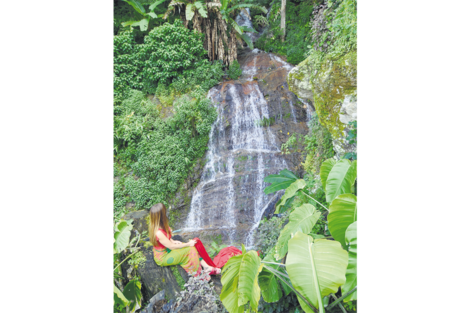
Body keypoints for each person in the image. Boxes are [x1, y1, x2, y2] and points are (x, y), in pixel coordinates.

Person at [148, 203, 221, 280]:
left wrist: (172, 240)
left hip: (168, 249)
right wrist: (188, 244)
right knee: (190, 249)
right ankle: (199, 275)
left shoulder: (161, 225)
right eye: (164, 211)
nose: (166, 213)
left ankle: (206, 267)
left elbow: (167, 238)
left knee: (192, 246)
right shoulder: (158, 232)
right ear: (161, 216)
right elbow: (171, 246)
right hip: (163, 256)